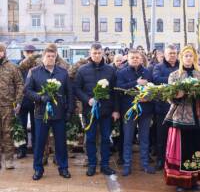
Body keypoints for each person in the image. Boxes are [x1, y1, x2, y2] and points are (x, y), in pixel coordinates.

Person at [164, 45, 200, 192]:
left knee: (196, 146)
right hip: (181, 117)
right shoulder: (175, 75)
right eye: (186, 56)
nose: (188, 58)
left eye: (191, 56)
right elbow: (169, 97)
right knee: (182, 148)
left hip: (198, 116)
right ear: (181, 58)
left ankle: (194, 180)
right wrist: (176, 96)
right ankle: (181, 181)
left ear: (194, 58)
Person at [25, 46, 74, 180]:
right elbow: (27, 91)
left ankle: (63, 168)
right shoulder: (34, 72)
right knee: (39, 143)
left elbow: (69, 92)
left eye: (53, 56)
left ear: (56, 57)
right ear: (43, 57)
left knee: (61, 143)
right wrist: (40, 98)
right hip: (41, 114)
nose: (51, 58)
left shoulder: (63, 73)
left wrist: (69, 110)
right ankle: (38, 169)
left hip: (59, 114)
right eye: (48, 56)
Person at [75, 43, 120, 177]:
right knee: (90, 138)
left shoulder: (110, 70)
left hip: (106, 111)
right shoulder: (82, 70)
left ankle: (105, 165)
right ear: (90, 54)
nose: (97, 55)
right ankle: (92, 165)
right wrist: (87, 99)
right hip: (90, 111)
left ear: (102, 54)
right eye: (94, 53)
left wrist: (116, 110)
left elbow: (115, 91)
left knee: (106, 138)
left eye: (99, 53)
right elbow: (77, 88)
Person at [116, 49, 155, 176]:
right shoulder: (121, 72)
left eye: (137, 57)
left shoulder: (148, 71)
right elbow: (119, 89)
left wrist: (148, 96)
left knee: (144, 138)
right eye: (132, 57)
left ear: (141, 58)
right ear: (128, 58)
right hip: (129, 110)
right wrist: (135, 83)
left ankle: (145, 164)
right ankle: (127, 165)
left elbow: (154, 89)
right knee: (127, 139)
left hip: (146, 110)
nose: (135, 59)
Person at [152, 45, 179, 170]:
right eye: (170, 53)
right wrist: (175, 81)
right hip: (162, 107)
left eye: (174, 53)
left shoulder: (181, 66)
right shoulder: (158, 67)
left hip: (179, 108)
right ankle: (161, 160)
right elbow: (156, 79)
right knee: (161, 136)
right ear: (165, 55)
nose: (172, 55)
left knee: (177, 137)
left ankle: (175, 161)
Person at [0, 43, 24, 170]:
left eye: (0, 51)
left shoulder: (12, 67)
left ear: (4, 53)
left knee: (7, 133)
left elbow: (20, 84)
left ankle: (9, 160)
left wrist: (18, 100)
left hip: (8, 106)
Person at [17, 44, 37, 159]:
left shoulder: (39, 65)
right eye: (27, 51)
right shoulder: (19, 65)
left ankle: (35, 148)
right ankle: (22, 149)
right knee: (21, 126)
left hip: (35, 100)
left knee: (36, 126)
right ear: (23, 52)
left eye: (31, 52)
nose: (29, 54)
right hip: (23, 101)